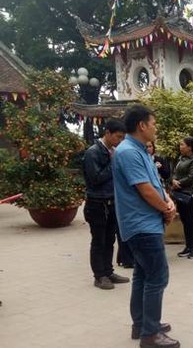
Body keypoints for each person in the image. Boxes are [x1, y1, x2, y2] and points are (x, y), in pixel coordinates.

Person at [112, 105, 179, 348]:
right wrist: (165, 208)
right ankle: (150, 334)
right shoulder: (128, 152)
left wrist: (168, 202)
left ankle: (141, 324)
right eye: (153, 123)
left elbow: (156, 185)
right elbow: (144, 189)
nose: (155, 127)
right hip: (141, 225)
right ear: (142, 125)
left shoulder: (141, 151)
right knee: (158, 277)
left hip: (147, 223)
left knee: (143, 275)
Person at [83, 118, 131, 289]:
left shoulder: (112, 151)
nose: (120, 141)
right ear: (108, 133)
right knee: (99, 241)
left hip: (112, 202)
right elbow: (95, 179)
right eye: (118, 137)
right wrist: (113, 162)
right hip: (97, 204)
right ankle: (99, 276)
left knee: (110, 239)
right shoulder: (93, 153)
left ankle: (108, 271)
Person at [172, 137, 193, 259]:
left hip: (189, 194)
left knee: (191, 221)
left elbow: (191, 177)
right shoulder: (181, 159)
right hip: (179, 192)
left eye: (182, 145)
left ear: (190, 147)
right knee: (184, 221)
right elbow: (175, 172)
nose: (180, 147)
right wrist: (173, 180)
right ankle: (188, 246)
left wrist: (178, 182)